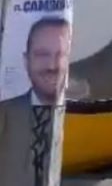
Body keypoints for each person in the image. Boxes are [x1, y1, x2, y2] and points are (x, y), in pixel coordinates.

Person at [0, 16, 71, 186]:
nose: (52, 66)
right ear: (26, 60)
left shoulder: (69, 112)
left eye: (60, 54)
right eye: (42, 54)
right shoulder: (7, 110)